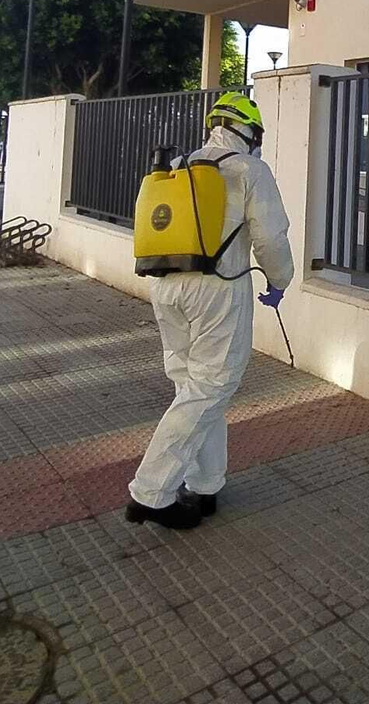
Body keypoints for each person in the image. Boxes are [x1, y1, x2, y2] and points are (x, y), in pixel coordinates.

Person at [126, 91, 295, 529]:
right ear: (248, 131)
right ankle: (152, 491)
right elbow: (271, 239)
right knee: (211, 388)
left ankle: (205, 486)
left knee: (192, 387)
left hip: (166, 287)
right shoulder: (249, 169)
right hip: (218, 290)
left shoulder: (179, 168)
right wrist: (279, 282)